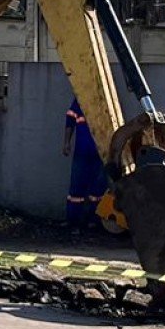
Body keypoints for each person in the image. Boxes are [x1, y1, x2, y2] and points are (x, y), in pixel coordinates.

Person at [63, 95, 107, 230]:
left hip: (99, 152)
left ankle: (94, 221)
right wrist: (66, 143)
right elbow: (70, 120)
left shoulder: (103, 99)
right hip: (82, 152)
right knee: (76, 188)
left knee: (97, 189)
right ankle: (73, 221)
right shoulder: (80, 99)